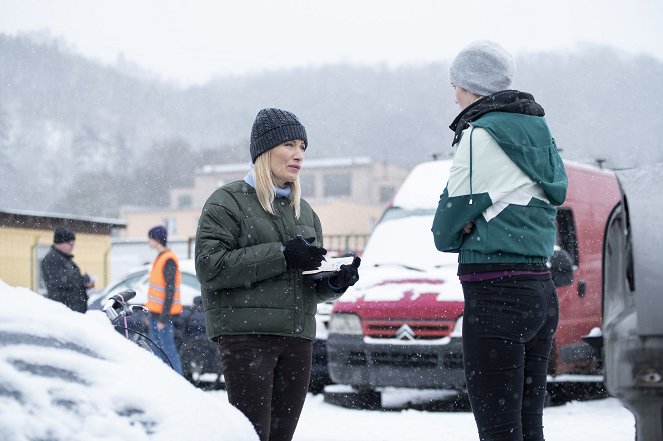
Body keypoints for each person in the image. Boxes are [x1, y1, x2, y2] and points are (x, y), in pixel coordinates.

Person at [195, 108, 360, 441]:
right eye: (289, 145)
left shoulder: (305, 212)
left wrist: (332, 281)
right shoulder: (227, 202)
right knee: (253, 436)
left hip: (297, 339)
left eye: (303, 146)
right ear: (264, 151)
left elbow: (306, 285)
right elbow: (209, 266)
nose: (298, 154)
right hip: (247, 338)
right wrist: (282, 255)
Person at [431, 41, 568, 441]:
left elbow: (444, 230)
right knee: (529, 426)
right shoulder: (540, 130)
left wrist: (467, 221)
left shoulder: (479, 134)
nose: (453, 94)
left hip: (495, 294)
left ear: (470, 85)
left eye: (455, 84)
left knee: (498, 430)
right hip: (540, 292)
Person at [145, 225, 184, 375]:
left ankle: (179, 382)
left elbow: (170, 290)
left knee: (168, 350)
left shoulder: (168, 259)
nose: (148, 241)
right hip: (156, 314)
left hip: (163, 316)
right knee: (157, 351)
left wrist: (163, 317)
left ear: (156, 239)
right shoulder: (160, 257)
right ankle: (163, 381)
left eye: (150, 238)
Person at [41, 227, 95, 313]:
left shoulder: (65, 259)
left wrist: (85, 284)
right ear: (61, 242)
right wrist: (83, 280)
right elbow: (61, 281)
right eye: (71, 244)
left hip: (73, 308)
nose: (72, 247)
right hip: (64, 310)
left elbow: (70, 280)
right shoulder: (51, 259)